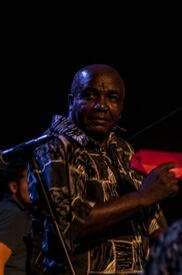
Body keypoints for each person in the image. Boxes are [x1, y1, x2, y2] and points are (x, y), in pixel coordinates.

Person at [28, 64, 179, 274]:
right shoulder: (53, 148)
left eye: (112, 98)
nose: (101, 105)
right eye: (90, 96)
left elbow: (152, 222)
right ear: (71, 101)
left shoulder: (124, 150)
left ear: (121, 107)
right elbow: (70, 224)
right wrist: (143, 196)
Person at [0, 158, 32, 275]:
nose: (35, 185)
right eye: (29, 181)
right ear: (13, 187)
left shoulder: (19, 211)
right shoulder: (11, 213)